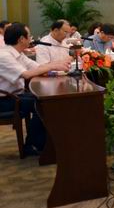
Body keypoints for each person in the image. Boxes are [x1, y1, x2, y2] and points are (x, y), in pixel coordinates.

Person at [0, 23, 70, 155]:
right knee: (43, 103)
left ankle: (47, 142)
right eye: (29, 36)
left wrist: (58, 64)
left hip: (16, 96)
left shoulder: (18, 54)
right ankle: (34, 145)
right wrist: (52, 66)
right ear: (21, 39)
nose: (31, 39)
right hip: (4, 101)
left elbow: (37, 67)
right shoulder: (4, 56)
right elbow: (26, 74)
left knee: (48, 99)